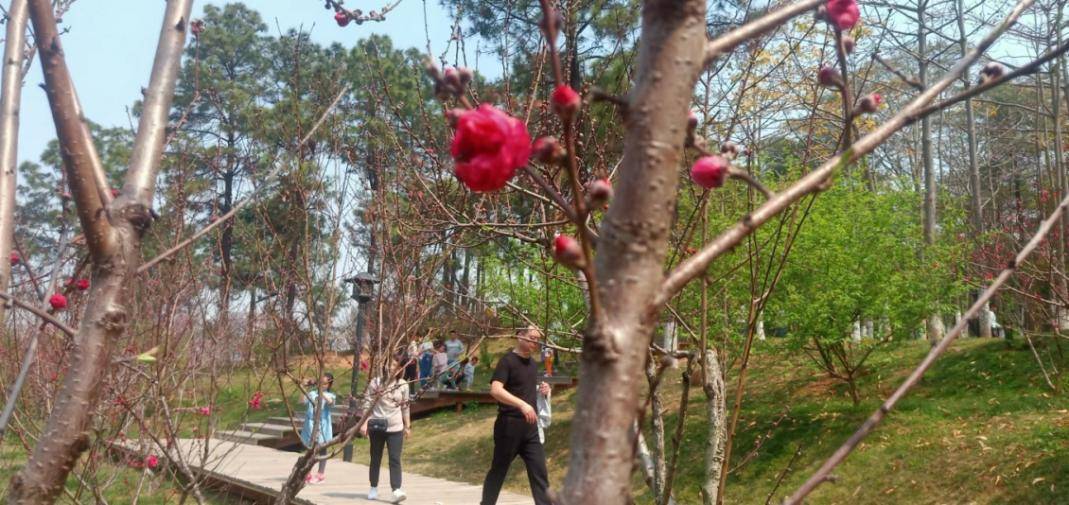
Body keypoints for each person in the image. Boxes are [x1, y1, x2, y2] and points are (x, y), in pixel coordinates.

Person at [480, 327, 552, 505]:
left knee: (540, 473)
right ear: (520, 336)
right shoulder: (507, 361)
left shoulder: (533, 364)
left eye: (537, 339)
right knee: (498, 471)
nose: (535, 342)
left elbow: (523, 390)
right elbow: (496, 390)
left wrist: (543, 391)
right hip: (509, 427)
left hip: (531, 429)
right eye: (532, 337)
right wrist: (521, 404)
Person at [360, 354, 412, 503]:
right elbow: (367, 403)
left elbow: (405, 406)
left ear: (400, 368)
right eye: (390, 364)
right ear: (385, 366)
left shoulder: (403, 385)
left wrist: (407, 426)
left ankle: (396, 489)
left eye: (396, 365)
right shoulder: (376, 382)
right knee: (375, 458)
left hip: (396, 428)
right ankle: (373, 487)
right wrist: (364, 423)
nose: (392, 368)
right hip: (377, 426)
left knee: (395, 459)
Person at [300, 373, 336, 484]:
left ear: (329, 384)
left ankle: (320, 474)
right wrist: (303, 386)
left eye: (324, 383)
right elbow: (302, 401)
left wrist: (321, 393)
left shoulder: (330, 395)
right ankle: (308, 472)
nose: (322, 385)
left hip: (323, 425)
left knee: (322, 448)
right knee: (310, 449)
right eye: (320, 383)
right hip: (310, 424)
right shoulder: (312, 394)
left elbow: (331, 403)